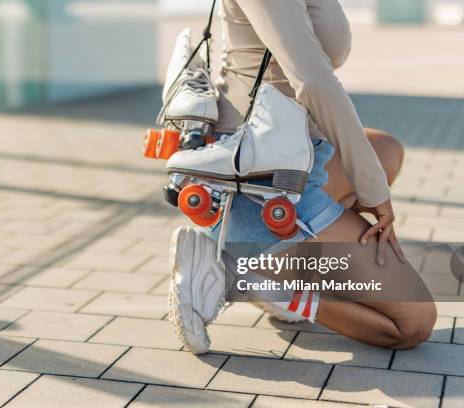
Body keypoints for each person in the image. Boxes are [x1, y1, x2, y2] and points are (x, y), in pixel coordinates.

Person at [167, 0, 437, 354]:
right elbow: (314, 83)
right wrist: (375, 193)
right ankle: (252, 275)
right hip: (258, 186)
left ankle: (283, 264)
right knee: (413, 322)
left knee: (386, 150)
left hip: (297, 158)